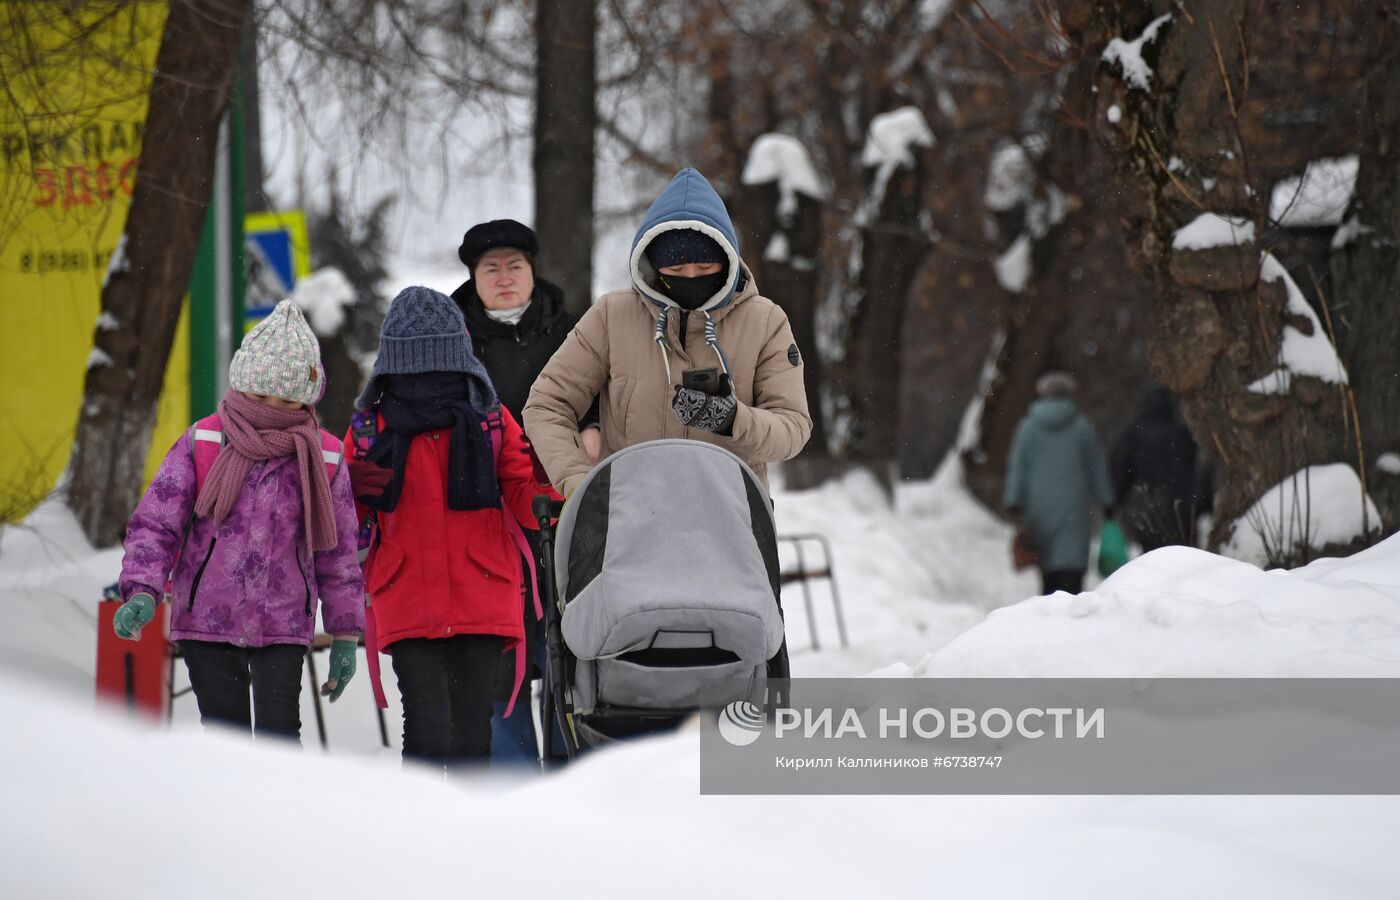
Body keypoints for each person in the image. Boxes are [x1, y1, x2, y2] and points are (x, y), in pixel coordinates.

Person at [114, 300, 364, 742]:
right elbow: (156, 524)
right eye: (261, 395)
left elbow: (339, 553)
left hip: (284, 622)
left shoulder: (322, 456)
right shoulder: (205, 440)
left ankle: (276, 814)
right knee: (224, 742)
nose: (272, 408)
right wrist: (143, 588)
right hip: (207, 618)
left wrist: (344, 632)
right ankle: (222, 813)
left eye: (287, 398)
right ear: (242, 382)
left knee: (279, 741)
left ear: (307, 396)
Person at [523, 167, 811, 498]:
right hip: (630, 525)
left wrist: (734, 420)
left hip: (730, 529)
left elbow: (793, 430)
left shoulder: (766, 323)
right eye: (675, 269)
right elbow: (547, 403)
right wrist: (580, 486)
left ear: (728, 260)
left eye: (705, 268)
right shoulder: (612, 316)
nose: (691, 277)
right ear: (653, 266)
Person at [346, 286, 542, 773]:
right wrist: (346, 493)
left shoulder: (490, 419)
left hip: (482, 592)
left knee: (474, 730)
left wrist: (551, 494)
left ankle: (464, 842)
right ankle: (423, 840)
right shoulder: (370, 428)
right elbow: (341, 530)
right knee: (429, 729)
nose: (426, 376)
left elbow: (521, 488)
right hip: (407, 593)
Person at [449, 219, 597, 765]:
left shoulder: (574, 332)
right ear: (474, 278)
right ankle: (511, 785)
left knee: (567, 646)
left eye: (515, 265)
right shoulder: (453, 340)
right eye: (491, 268)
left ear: (533, 271)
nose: (504, 277)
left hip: (564, 508)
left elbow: (603, 394)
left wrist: (593, 429)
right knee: (500, 652)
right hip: (486, 520)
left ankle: (570, 773)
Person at [1003, 371, 1115, 595]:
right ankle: (1071, 606)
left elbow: (1018, 468)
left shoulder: (1028, 428)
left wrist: (1014, 501)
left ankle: (1049, 603)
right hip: (1073, 507)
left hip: (1039, 508)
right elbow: (1096, 467)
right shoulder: (1082, 428)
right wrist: (1107, 500)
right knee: (1071, 565)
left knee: (1047, 567)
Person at [1110, 385, 1201, 551]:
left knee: (1152, 555)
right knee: (1182, 554)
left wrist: (1116, 501)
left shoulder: (1133, 433)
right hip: (1179, 505)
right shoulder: (1181, 433)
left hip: (1146, 505)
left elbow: (1120, 468)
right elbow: (1194, 467)